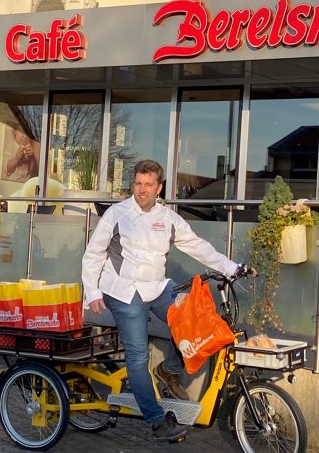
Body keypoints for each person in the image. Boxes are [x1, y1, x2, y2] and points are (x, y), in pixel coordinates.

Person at [81, 159, 248, 442]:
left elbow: (197, 246)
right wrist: (93, 292)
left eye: (148, 185)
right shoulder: (117, 214)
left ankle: (168, 370)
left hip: (157, 287)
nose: (142, 190)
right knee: (137, 356)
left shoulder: (168, 218)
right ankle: (157, 421)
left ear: (159, 188)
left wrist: (231, 268)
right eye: (138, 184)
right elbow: (93, 253)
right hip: (123, 291)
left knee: (194, 325)